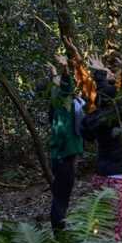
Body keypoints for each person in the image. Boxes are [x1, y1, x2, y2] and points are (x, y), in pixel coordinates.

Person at [81, 40, 122, 240]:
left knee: (101, 224)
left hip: (101, 176)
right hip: (116, 181)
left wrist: (100, 74)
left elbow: (106, 95)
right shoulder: (114, 115)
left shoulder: (95, 117)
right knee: (115, 227)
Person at [46, 54, 85, 231]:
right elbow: (65, 88)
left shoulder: (57, 106)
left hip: (60, 157)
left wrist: (54, 74)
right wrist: (65, 70)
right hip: (64, 157)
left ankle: (59, 226)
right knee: (62, 196)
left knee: (60, 195)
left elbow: (58, 90)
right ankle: (59, 230)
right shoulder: (63, 107)